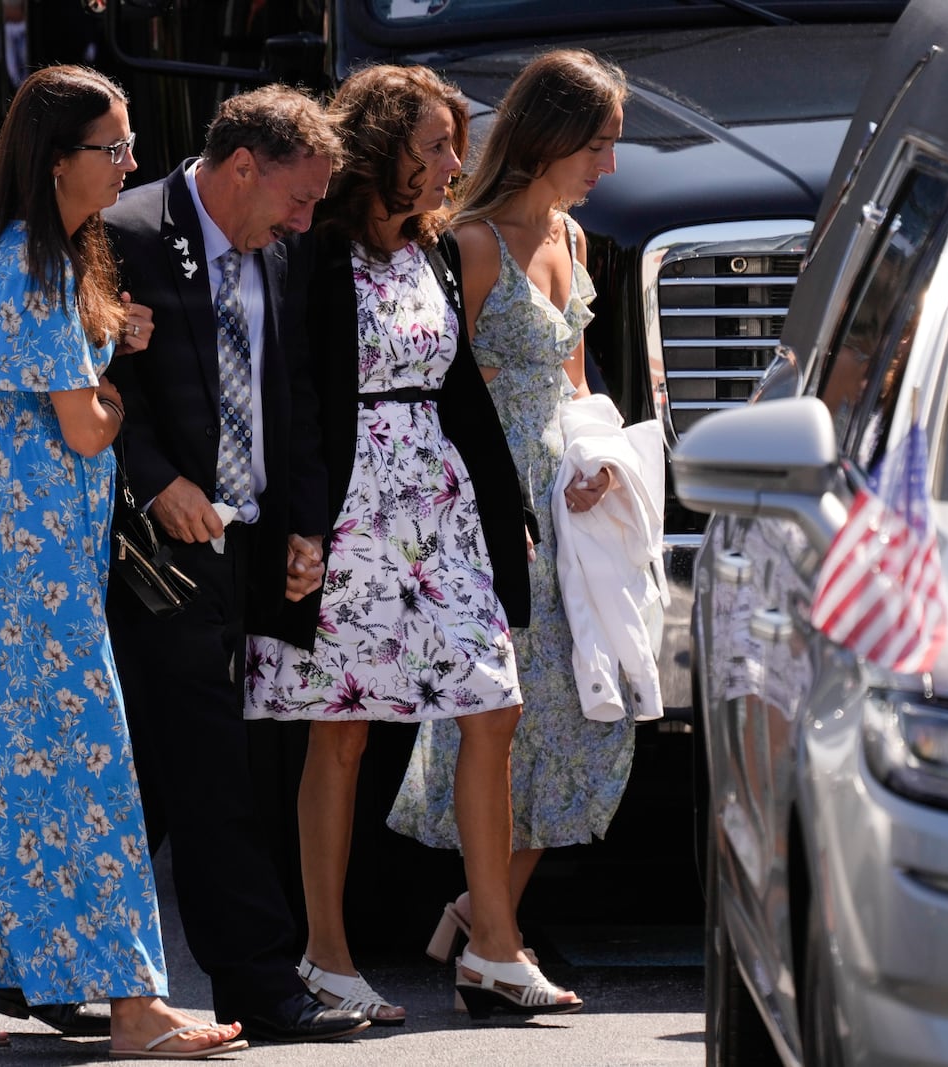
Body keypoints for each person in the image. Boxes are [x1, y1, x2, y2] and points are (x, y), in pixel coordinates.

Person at [0, 63, 245, 1059]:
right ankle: (132, 1006)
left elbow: (56, 379)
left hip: (4, 564)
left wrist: (106, 340)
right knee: (83, 780)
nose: (130, 162)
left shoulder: (27, 258)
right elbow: (87, 429)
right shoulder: (35, 265)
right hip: (34, 577)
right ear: (57, 161)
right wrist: (115, 386)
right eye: (114, 146)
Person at [243, 63, 581, 1022]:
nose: (452, 164)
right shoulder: (315, 251)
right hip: (348, 512)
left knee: (493, 701)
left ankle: (494, 948)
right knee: (340, 734)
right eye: (434, 145)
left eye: (454, 146)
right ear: (385, 146)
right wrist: (301, 528)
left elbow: (462, 389)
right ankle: (327, 954)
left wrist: (504, 504)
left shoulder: (435, 251)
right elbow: (298, 397)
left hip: (438, 506)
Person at [100, 86, 371, 1044]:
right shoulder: (126, 232)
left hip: (252, 538)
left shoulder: (283, 248)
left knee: (176, 764)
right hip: (158, 543)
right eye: (298, 199)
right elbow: (94, 383)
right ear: (243, 166)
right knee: (214, 761)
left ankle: (34, 971)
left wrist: (306, 526)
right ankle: (260, 979)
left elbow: (291, 389)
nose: (307, 220)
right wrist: (156, 478)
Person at [384, 47, 634, 978]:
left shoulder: (568, 240)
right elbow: (449, 392)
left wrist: (593, 469)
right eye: (598, 146)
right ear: (552, 137)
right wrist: (500, 503)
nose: (607, 167)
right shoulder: (472, 243)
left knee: (588, 716)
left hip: (570, 506)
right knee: (505, 720)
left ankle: (474, 910)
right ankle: (492, 931)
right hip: (492, 507)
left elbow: (572, 384)